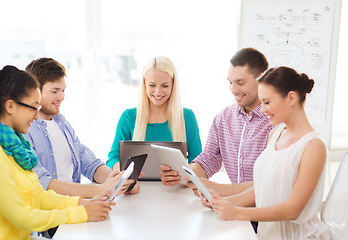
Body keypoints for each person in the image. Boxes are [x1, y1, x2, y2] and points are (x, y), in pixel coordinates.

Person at [0, 65, 115, 239]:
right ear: (10, 106)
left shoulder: (16, 149)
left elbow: (39, 197)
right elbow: (23, 217)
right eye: (33, 107)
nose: (35, 116)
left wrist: (82, 203)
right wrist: (82, 213)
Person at [201, 66, 330, 239]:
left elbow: (293, 210)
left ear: (291, 98)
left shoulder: (313, 146)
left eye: (267, 102)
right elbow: (262, 189)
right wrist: (221, 203)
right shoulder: (275, 134)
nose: (262, 110)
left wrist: (238, 213)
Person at [161, 48, 272, 190]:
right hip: (234, 202)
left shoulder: (275, 121)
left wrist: (223, 193)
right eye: (230, 82)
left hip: (265, 205)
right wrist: (181, 175)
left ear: (261, 79)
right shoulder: (224, 118)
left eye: (240, 82)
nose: (233, 90)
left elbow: (273, 181)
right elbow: (209, 159)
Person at [23, 58, 132, 200]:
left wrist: (117, 180)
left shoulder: (62, 123)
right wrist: (99, 190)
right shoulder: (25, 131)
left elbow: (88, 162)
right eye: (55, 91)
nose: (61, 97)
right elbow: (42, 182)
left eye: (62, 90)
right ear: (34, 91)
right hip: (51, 212)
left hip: (73, 205)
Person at [106, 56, 202, 184]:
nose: (158, 92)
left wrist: (180, 177)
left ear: (173, 85)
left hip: (176, 191)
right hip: (137, 190)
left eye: (165, 85)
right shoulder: (129, 117)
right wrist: (125, 173)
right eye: (152, 85)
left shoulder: (187, 117)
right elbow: (113, 158)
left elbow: (198, 160)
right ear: (144, 84)